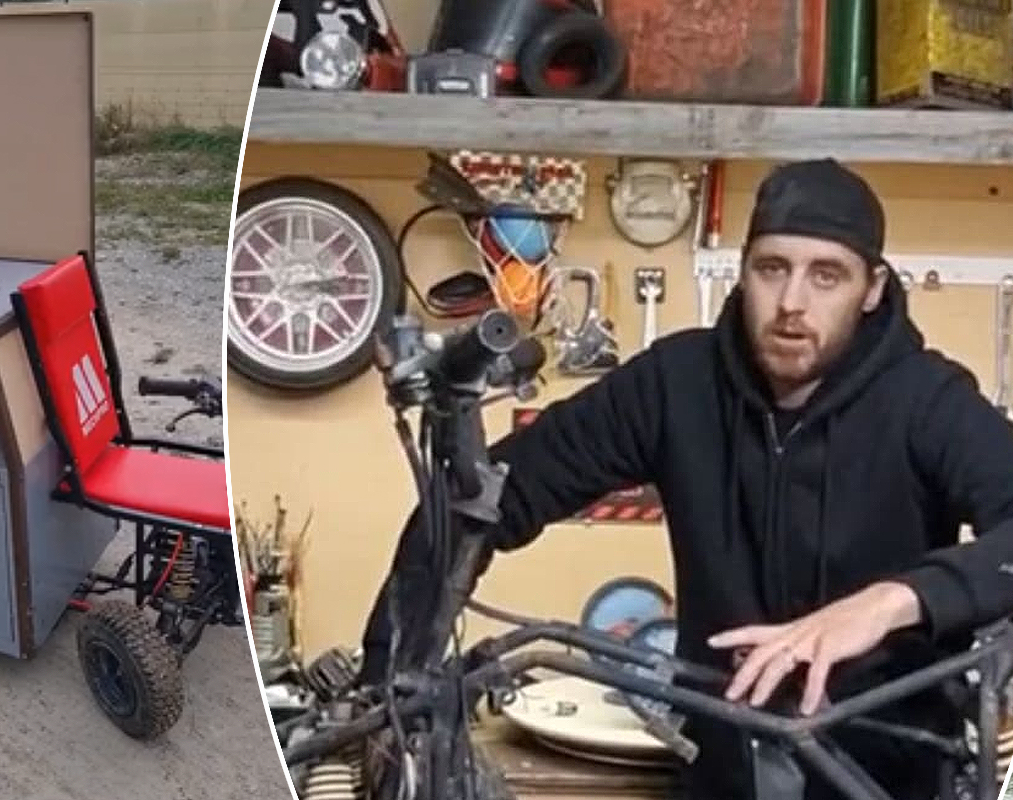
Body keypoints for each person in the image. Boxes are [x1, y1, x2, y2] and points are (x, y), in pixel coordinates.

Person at [357, 158, 1013, 800]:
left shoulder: (927, 400)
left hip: (887, 771)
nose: (791, 303)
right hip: (721, 770)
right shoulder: (676, 384)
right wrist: (391, 687)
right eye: (772, 269)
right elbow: (483, 496)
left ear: (871, 289)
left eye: (827, 276)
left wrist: (892, 601)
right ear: (743, 273)